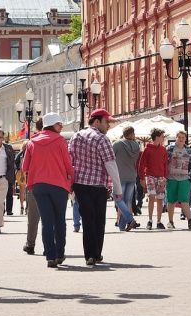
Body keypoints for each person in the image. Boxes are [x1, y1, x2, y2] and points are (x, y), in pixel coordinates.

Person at [69, 108, 128, 267]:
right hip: (98, 185)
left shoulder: (76, 136)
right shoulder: (102, 139)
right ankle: (96, 253)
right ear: (97, 121)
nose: (108, 125)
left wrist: (70, 184)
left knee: (87, 218)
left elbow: (70, 161)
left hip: (80, 184)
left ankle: (89, 255)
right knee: (98, 219)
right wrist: (117, 189)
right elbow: (111, 165)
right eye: (106, 122)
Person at [21, 113, 74, 268]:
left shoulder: (32, 142)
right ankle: (59, 253)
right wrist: (72, 178)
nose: (61, 126)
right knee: (59, 221)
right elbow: (67, 164)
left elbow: (25, 167)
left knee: (46, 221)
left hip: (38, 186)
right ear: (51, 125)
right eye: (59, 124)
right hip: (58, 186)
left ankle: (50, 256)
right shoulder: (60, 141)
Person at [164, 131, 191, 230]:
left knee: (184, 200)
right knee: (171, 201)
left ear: (185, 138)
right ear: (176, 138)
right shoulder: (170, 148)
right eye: (179, 137)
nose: (181, 139)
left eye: (183, 137)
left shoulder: (188, 149)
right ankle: (170, 221)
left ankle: (190, 221)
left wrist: (190, 178)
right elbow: (165, 162)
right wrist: (165, 176)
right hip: (171, 178)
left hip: (184, 178)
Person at [137, 129, 170, 230]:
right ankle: (150, 220)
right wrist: (142, 178)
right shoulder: (147, 149)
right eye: (162, 136)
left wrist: (165, 177)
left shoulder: (163, 149)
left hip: (161, 177)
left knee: (160, 199)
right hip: (150, 176)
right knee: (151, 197)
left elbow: (165, 164)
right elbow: (141, 164)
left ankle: (159, 221)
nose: (163, 138)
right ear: (157, 137)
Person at [112, 126, 142, 231]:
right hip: (132, 175)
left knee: (118, 198)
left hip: (120, 175)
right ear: (132, 134)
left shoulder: (117, 144)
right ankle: (121, 226)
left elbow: (110, 157)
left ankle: (130, 219)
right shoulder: (137, 146)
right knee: (127, 200)